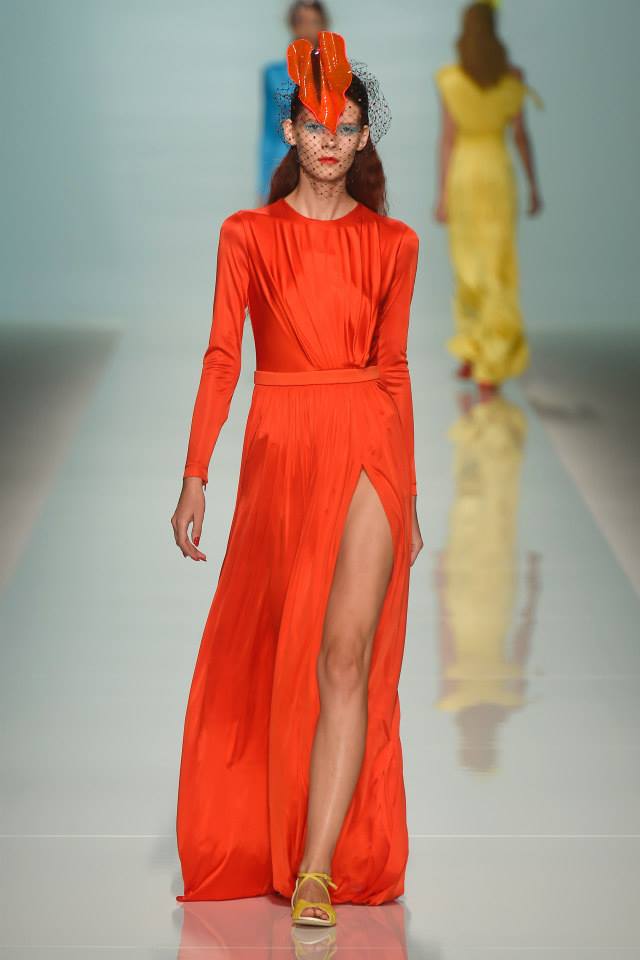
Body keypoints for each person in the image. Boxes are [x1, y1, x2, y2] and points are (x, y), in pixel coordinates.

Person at [171, 31, 423, 928]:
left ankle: (315, 869)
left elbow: (394, 371)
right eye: (316, 125)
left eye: (344, 127)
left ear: (364, 138)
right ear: (291, 130)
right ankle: (279, 835)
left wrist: (410, 497)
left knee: (344, 657)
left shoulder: (395, 244)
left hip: (366, 449)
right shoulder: (246, 235)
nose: (329, 141)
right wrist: (196, 471)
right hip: (281, 451)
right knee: (283, 654)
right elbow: (221, 358)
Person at [434, 0, 543, 401]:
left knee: (467, 263)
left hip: (465, 173)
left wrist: (442, 194)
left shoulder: (451, 79)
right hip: (496, 172)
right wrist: (533, 185)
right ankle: (489, 359)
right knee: (496, 264)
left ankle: (472, 348)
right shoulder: (512, 78)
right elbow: (520, 136)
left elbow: (447, 139)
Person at [258, 1, 331, 204]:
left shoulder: (337, 74)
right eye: (301, 21)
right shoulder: (273, 74)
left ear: (324, 25)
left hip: (325, 168)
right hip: (284, 167)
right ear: (291, 24)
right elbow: (268, 133)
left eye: (314, 22)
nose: (307, 28)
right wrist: (263, 187)